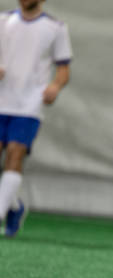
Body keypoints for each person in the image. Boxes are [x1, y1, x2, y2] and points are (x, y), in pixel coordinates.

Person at [0, 0, 72, 237]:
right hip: (2, 100)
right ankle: (14, 206)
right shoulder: (3, 21)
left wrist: (55, 86)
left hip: (29, 104)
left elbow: (63, 68)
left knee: (14, 152)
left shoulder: (55, 28)